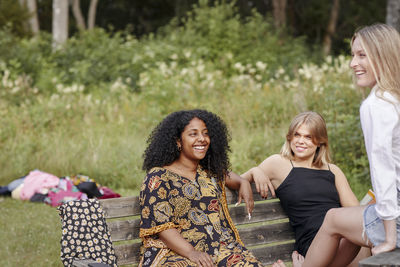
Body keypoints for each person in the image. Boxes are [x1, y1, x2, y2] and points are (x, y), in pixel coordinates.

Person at [273, 23, 400, 267]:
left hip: (398, 216)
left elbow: (384, 172)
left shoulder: (377, 104)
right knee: (345, 221)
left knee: (333, 218)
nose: (353, 63)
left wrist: (389, 239)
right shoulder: (395, 99)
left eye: (362, 55)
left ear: (384, 56)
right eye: (353, 55)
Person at [241, 111, 369, 266]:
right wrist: (255, 170)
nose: (301, 141)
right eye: (297, 135)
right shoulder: (278, 163)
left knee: (362, 227)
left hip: (344, 245)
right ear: (290, 137)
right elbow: (234, 179)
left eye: (308, 137)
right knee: (335, 218)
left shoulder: (333, 170)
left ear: (320, 142)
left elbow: (356, 213)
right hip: (315, 246)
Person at [138, 109, 263, 267]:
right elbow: (163, 228)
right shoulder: (158, 177)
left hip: (216, 248)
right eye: (193, 134)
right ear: (178, 141)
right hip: (173, 252)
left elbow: (230, 177)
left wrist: (243, 182)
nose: (202, 139)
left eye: (205, 133)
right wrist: (191, 252)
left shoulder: (208, 173)